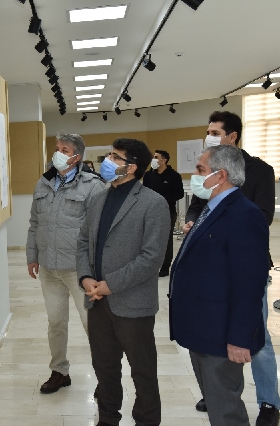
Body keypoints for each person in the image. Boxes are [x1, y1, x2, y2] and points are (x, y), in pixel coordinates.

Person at [183, 111, 280, 425]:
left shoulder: (260, 170)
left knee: (255, 335)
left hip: (243, 263)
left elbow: (262, 216)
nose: (209, 136)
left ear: (232, 136)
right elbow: (197, 205)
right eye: (208, 131)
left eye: (215, 132)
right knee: (212, 334)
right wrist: (193, 222)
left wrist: (218, 227)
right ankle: (216, 391)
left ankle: (269, 401)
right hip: (209, 267)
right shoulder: (209, 167)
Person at [77, 138, 170, 426]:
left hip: (133, 304)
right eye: (109, 155)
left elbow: (151, 258)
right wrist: (86, 278)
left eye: (115, 157)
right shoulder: (97, 199)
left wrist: (110, 284)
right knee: (104, 368)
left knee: (142, 371)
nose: (108, 161)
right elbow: (83, 243)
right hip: (96, 302)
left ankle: (146, 420)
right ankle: (107, 418)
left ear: (131, 167)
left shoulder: (153, 203)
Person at [26, 131, 106, 394]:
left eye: (64, 150)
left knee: (92, 325)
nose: (57, 153)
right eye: (57, 148)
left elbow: (100, 231)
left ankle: (105, 378)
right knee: (56, 323)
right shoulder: (44, 182)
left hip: (79, 271)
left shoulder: (93, 186)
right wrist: (32, 255)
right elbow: (34, 223)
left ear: (76, 157)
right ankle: (59, 371)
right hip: (49, 268)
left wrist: (96, 270)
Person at [142, 150, 184, 276]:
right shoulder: (149, 175)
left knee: (166, 239)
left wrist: (161, 199)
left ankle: (165, 267)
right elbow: (144, 191)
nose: (153, 159)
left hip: (167, 211)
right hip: (150, 211)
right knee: (149, 238)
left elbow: (179, 193)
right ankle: (150, 264)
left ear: (164, 160)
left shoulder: (174, 176)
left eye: (156, 157)